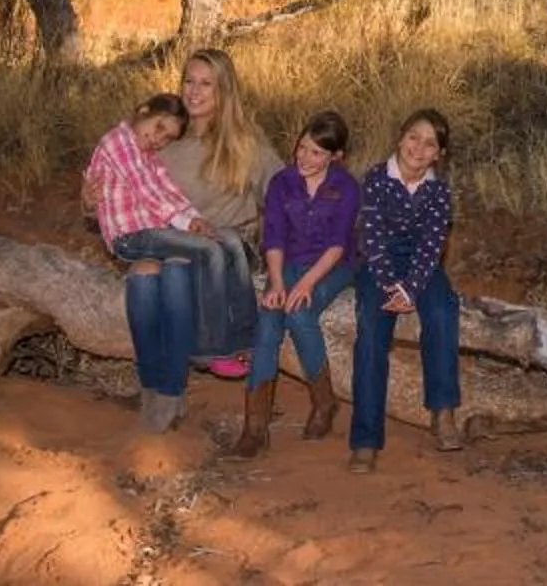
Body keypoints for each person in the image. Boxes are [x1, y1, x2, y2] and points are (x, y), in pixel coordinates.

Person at [81, 93, 225, 432]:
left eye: (166, 137)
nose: (158, 139)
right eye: (158, 128)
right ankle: (159, 380)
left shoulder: (239, 145)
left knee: (175, 270)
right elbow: (147, 192)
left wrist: (193, 219)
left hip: (161, 232)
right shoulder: (120, 142)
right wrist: (191, 226)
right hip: (139, 237)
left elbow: (169, 192)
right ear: (142, 110)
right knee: (161, 270)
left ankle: (171, 391)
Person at [233, 109, 360, 459]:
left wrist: (305, 284)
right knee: (269, 321)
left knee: (301, 314)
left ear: (336, 157)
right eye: (302, 147)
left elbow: (337, 245)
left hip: (333, 265)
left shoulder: (346, 187)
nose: (305, 157)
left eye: (317, 152)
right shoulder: (282, 182)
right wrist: (276, 282)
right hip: (287, 263)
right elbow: (273, 236)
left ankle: (324, 403)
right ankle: (254, 427)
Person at [347, 108, 462, 472]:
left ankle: (442, 411)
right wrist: (388, 285)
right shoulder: (377, 179)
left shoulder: (438, 191)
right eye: (414, 137)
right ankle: (365, 439)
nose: (419, 147)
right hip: (378, 263)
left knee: (443, 310)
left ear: (438, 154)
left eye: (430, 143)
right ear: (400, 137)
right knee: (370, 331)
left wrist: (411, 289)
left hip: (420, 264)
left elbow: (432, 246)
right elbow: (372, 238)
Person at [160, 47, 281, 379]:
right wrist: (91, 198)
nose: (194, 91)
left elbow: (284, 193)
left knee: (183, 266)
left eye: (206, 84)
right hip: (180, 242)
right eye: (189, 81)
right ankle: (178, 375)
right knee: (172, 269)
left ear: (223, 91)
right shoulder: (166, 141)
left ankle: (214, 346)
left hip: (232, 248)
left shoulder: (244, 143)